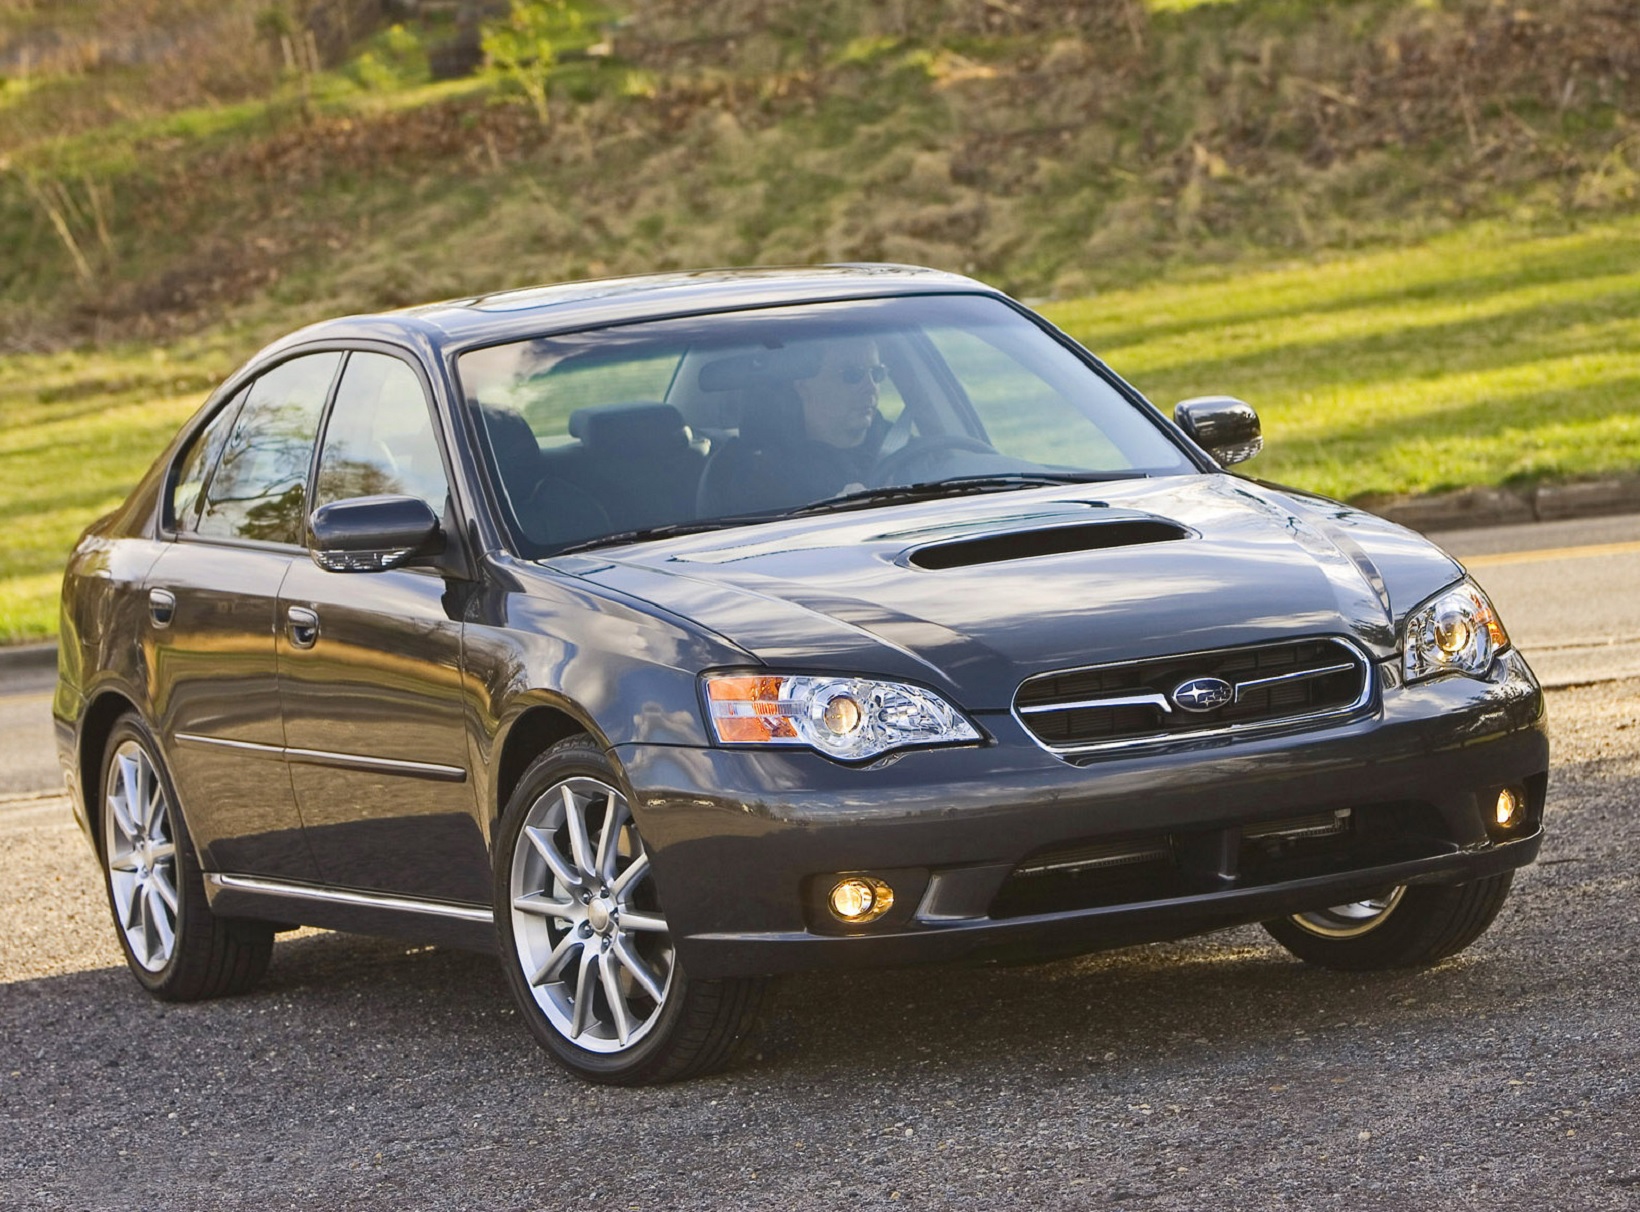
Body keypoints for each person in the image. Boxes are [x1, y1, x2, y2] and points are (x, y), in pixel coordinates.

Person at [696, 337, 892, 518]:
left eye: (877, 373)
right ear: (802, 384)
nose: (871, 386)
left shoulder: (906, 450)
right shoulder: (749, 476)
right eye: (853, 374)